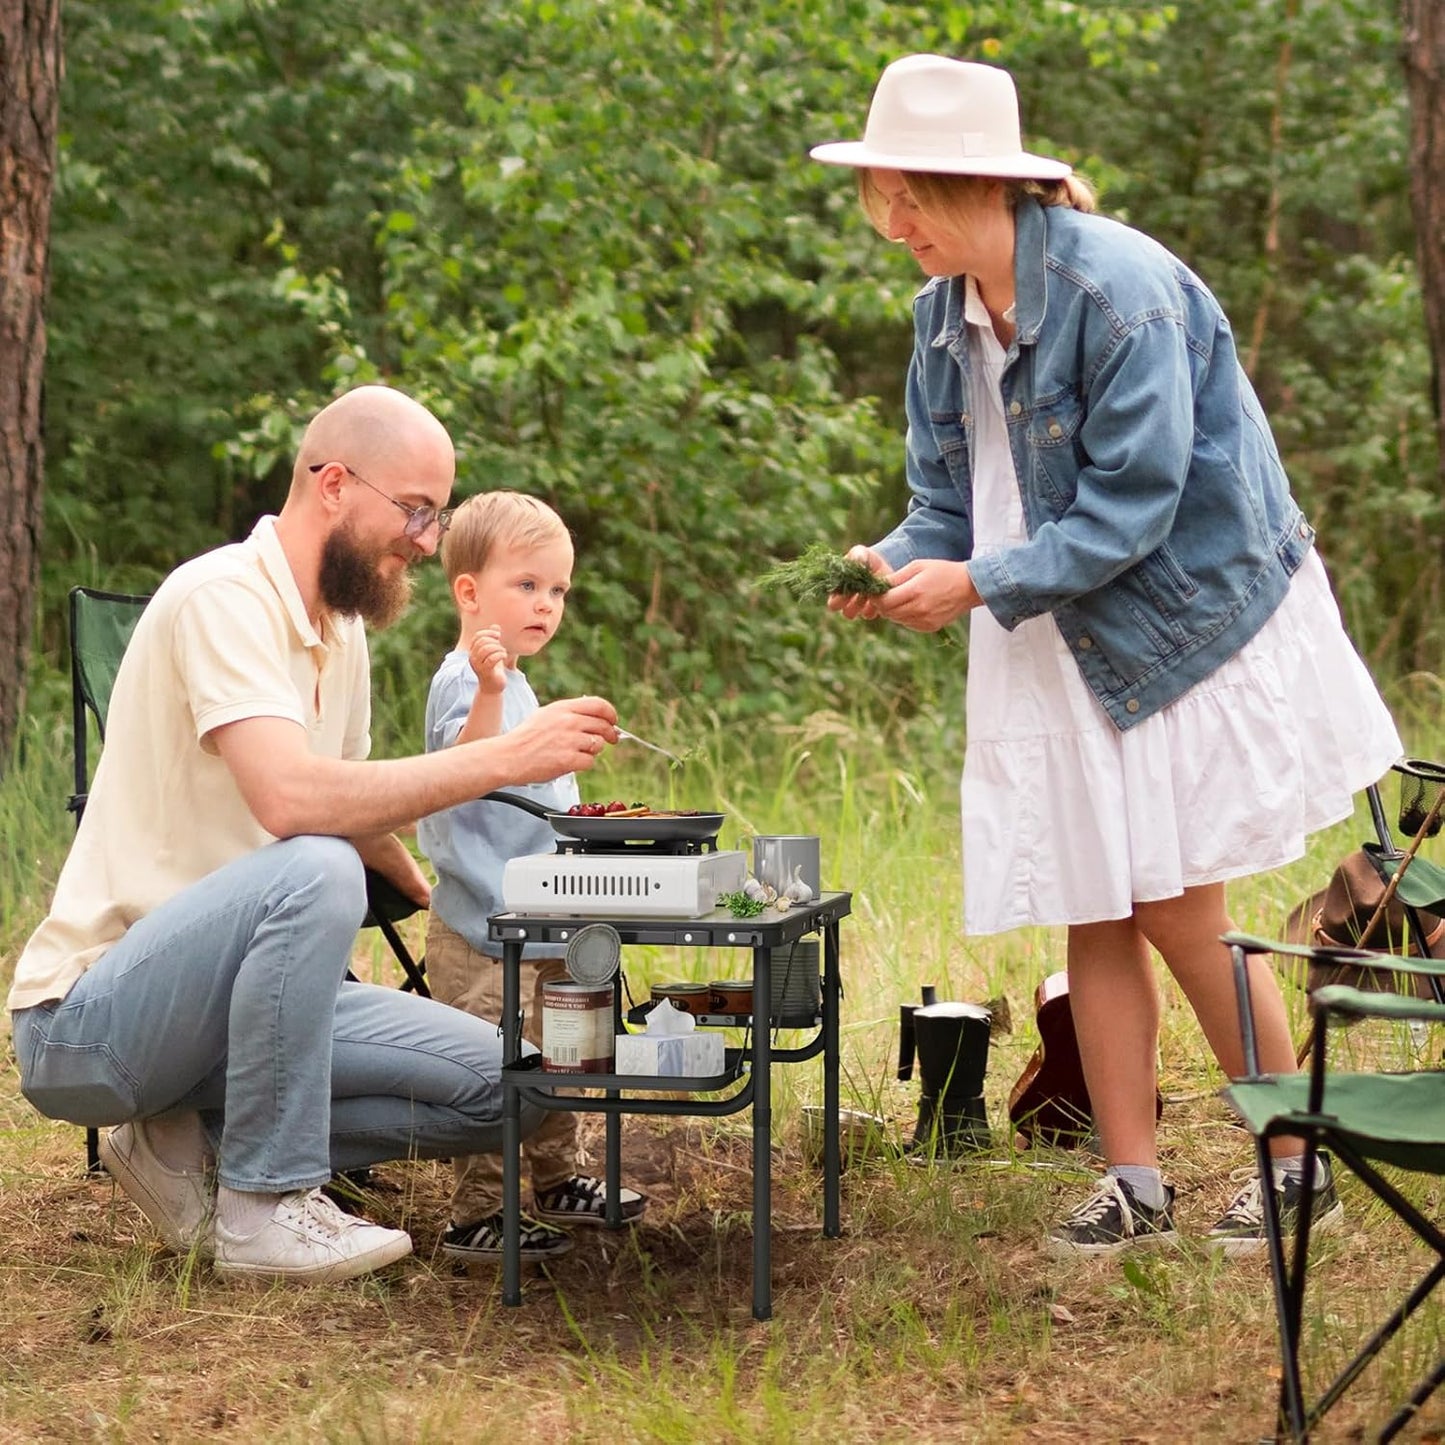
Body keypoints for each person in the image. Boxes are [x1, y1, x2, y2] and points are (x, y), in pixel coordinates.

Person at [809, 55, 1403, 1256]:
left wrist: (975, 581)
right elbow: (945, 500)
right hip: (1042, 628)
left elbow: (1132, 508)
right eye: (882, 204)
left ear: (972, 185)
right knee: (1091, 901)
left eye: (903, 201)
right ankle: (1132, 1182)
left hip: (1174, 617)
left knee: (1179, 905)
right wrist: (889, 562)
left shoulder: (1121, 289)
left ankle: (1296, 1160)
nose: (894, 226)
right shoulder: (941, 317)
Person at [7, 384, 620, 1284]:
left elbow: (360, 804)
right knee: (316, 865)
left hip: (251, 1013)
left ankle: (193, 1140)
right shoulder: (223, 596)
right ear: (334, 483)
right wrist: (506, 756)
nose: (425, 538)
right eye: (415, 510)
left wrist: (421, 886)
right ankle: (265, 1202)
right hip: (97, 1019)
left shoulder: (342, 627)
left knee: (513, 1085)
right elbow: (296, 802)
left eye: (436, 514)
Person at [417, 491, 647, 1263]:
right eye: (527, 586)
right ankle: (475, 1209)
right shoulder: (466, 680)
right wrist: (486, 692)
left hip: (538, 916)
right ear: (469, 591)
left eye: (558, 591)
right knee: (495, 1060)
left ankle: (554, 1177)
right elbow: (462, 769)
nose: (546, 604)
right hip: (483, 930)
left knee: (559, 1050)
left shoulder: (516, 680)